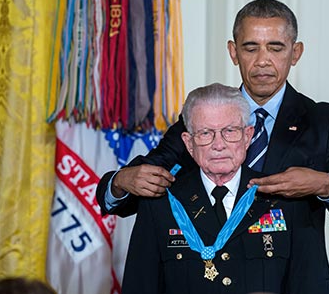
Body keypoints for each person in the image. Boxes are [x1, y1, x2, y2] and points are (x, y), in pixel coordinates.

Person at [97, 0, 329, 293]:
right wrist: (121, 182)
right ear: (233, 52)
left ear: (295, 53)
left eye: (276, 47)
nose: (263, 60)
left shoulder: (325, 122)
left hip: (292, 281)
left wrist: (323, 184)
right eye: (251, 47)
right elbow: (148, 179)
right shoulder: (207, 115)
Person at [121, 83, 316, 293]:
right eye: (205, 133)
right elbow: (139, 286)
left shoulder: (284, 197)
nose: (218, 144)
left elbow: (307, 285)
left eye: (230, 131)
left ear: (248, 136)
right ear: (188, 143)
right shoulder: (161, 202)